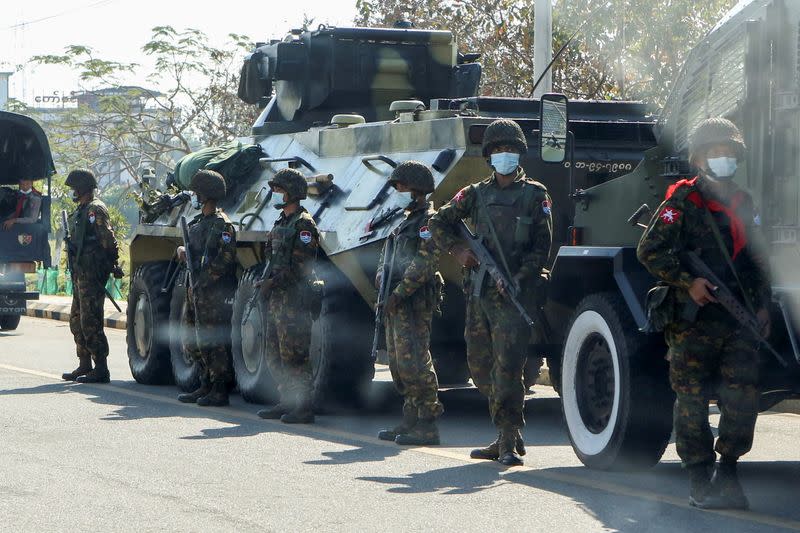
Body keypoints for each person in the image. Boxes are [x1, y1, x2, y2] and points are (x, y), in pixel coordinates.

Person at [637, 117, 771, 510]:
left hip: (738, 320)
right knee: (691, 399)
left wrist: (762, 307)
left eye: (728, 151)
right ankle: (698, 475)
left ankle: (728, 471)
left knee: (742, 398)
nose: (722, 157)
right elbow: (650, 251)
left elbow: (757, 262)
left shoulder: (743, 203)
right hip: (693, 322)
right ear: (699, 158)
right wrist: (687, 282)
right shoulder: (683, 200)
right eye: (714, 151)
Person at [428, 119, 553, 466]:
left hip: (514, 296)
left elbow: (542, 247)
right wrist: (458, 252)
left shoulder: (535, 195)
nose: (504, 156)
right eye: (498, 150)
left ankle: (508, 438)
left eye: (510, 150)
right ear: (488, 156)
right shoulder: (475, 194)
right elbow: (438, 222)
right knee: (480, 366)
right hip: (479, 294)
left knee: (508, 368)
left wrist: (518, 276)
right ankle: (505, 431)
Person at [375, 161, 444, 446]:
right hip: (395, 301)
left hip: (412, 301)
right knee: (399, 363)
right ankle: (410, 418)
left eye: (401, 186)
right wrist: (381, 274)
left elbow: (425, 263)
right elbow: (387, 254)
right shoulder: (404, 221)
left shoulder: (429, 222)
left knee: (415, 361)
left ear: (416, 188)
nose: (397, 191)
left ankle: (427, 424)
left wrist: (399, 294)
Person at [256, 168, 321, 424]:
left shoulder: (304, 224)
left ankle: (303, 407)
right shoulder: (281, 222)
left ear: (292, 193)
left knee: (295, 356)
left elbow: (302, 267)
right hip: (277, 299)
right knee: (275, 354)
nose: (274, 194)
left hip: (294, 300)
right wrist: (266, 282)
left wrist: (272, 282)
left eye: (279, 190)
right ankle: (287, 400)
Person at [176, 170, 237, 407]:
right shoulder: (198, 223)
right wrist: (182, 252)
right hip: (196, 289)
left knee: (214, 341)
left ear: (206, 195)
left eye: (197, 192)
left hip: (213, 291)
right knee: (194, 339)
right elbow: (193, 253)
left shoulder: (223, 226)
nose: (195, 196)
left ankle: (219, 388)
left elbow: (226, 258)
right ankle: (205, 383)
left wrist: (205, 280)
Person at [61, 169, 121, 384]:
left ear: (84, 188)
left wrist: (110, 264)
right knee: (77, 320)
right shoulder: (81, 210)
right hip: (80, 274)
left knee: (91, 321)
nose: (74, 192)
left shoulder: (95, 209)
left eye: (76, 188)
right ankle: (85, 364)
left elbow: (108, 239)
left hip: (92, 274)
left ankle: (101, 368)